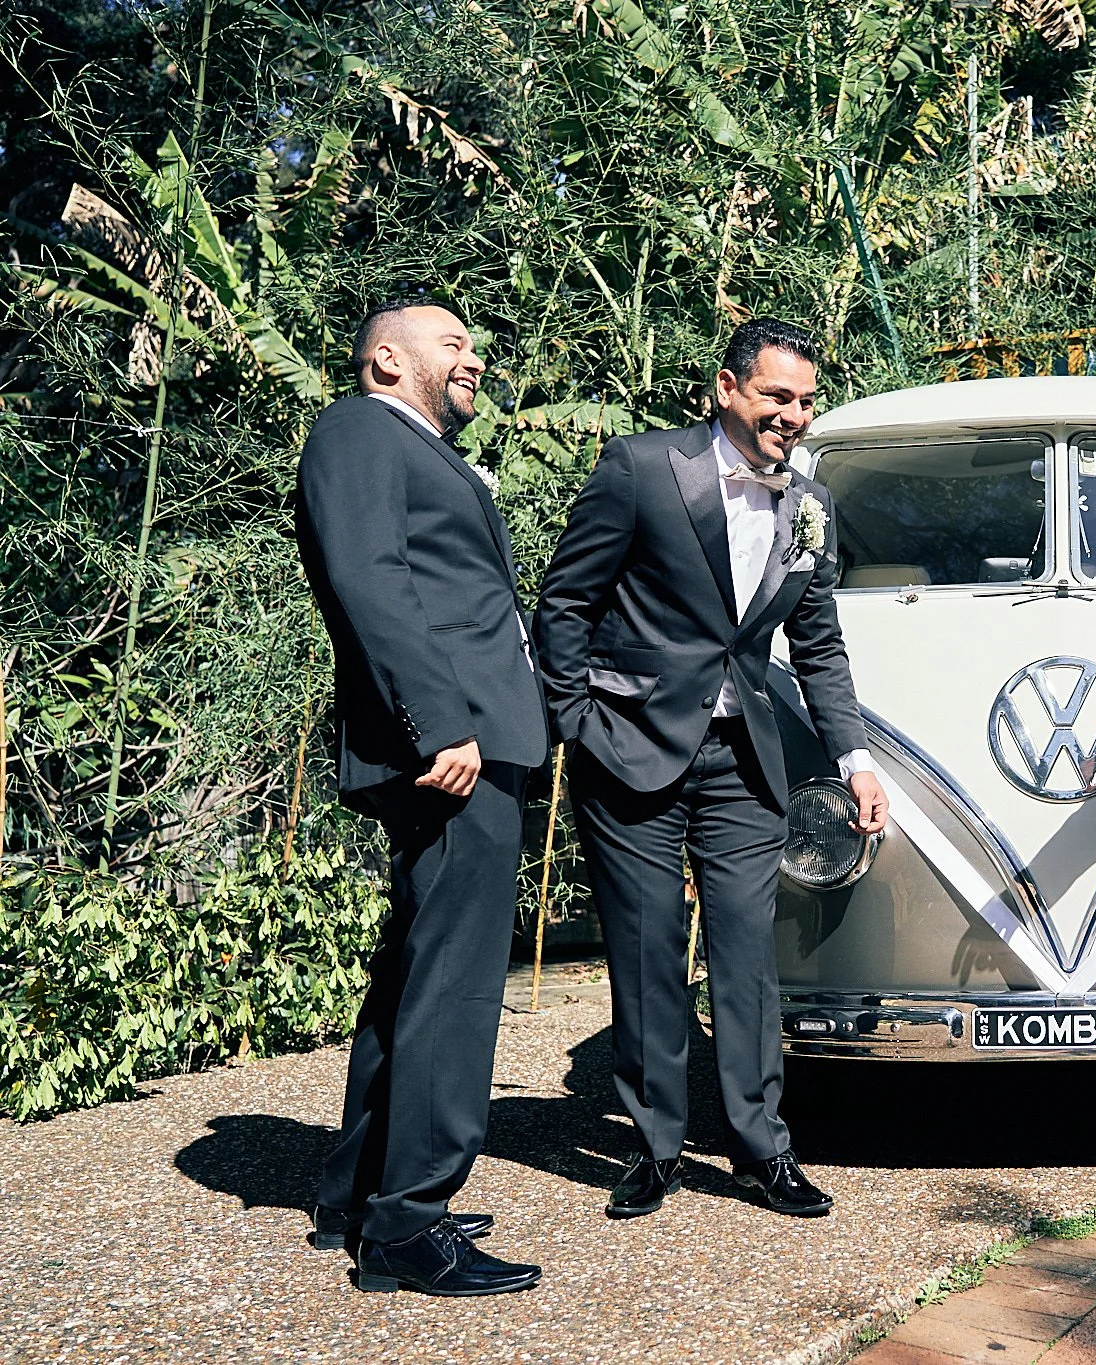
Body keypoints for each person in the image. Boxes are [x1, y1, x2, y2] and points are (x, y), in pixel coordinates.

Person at [533, 317, 887, 1221]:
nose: (793, 415)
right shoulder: (642, 469)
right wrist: (573, 720)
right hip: (629, 749)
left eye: (807, 400)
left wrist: (853, 757)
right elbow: (566, 599)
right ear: (725, 389)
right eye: (777, 395)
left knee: (744, 956)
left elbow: (818, 643)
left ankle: (762, 1148)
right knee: (647, 951)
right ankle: (652, 1147)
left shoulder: (812, 504)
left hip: (743, 760)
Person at [296, 298, 548, 1295]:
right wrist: (437, 721)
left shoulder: (416, 448)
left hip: (474, 739)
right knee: (452, 982)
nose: (472, 357)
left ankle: (358, 1194)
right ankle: (408, 1228)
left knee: (415, 973)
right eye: (452, 343)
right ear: (383, 360)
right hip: (451, 748)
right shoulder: (357, 430)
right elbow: (370, 580)